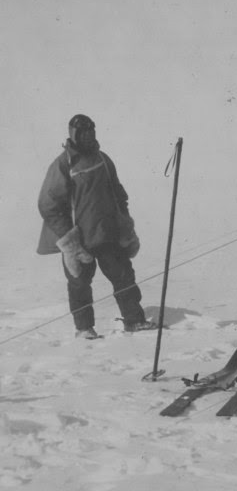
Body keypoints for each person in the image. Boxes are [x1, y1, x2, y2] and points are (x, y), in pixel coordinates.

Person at [37, 114, 157, 339]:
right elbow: (48, 204)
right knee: (79, 284)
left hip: (108, 234)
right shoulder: (63, 164)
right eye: (83, 132)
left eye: (91, 131)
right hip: (80, 241)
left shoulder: (102, 159)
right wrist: (68, 238)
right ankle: (84, 329)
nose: (89, 136)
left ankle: (134, 321)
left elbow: (118, 194)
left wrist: (125, 224)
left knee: (124, 277)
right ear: (74, 135)